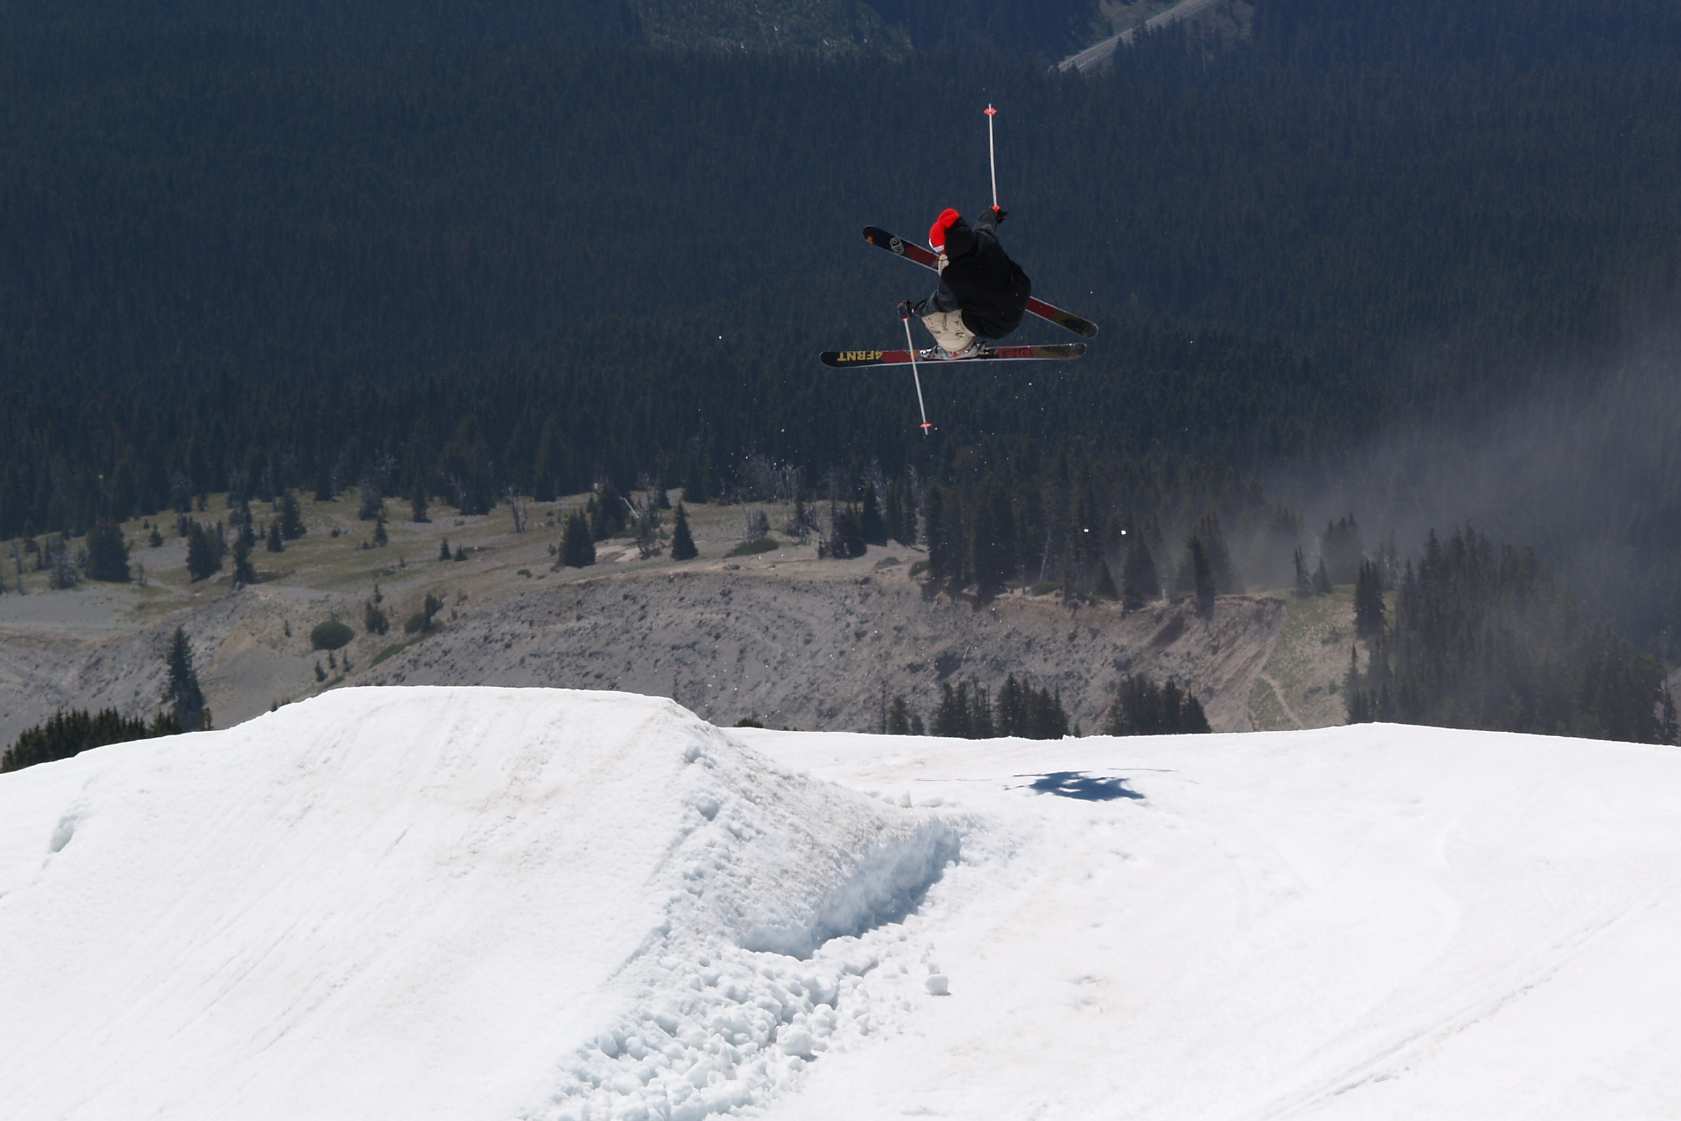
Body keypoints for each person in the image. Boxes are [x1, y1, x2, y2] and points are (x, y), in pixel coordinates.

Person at [899, 206, 1032, 358]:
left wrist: (914, 310)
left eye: (940, 251)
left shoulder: (954, 276)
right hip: (1018, 289)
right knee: (966, 279)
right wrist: (993, 214)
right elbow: (986, 224)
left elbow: (939, 304)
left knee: (934, 319)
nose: (940, 254)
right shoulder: (982, 237)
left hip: (997, 324)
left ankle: (957, 349)